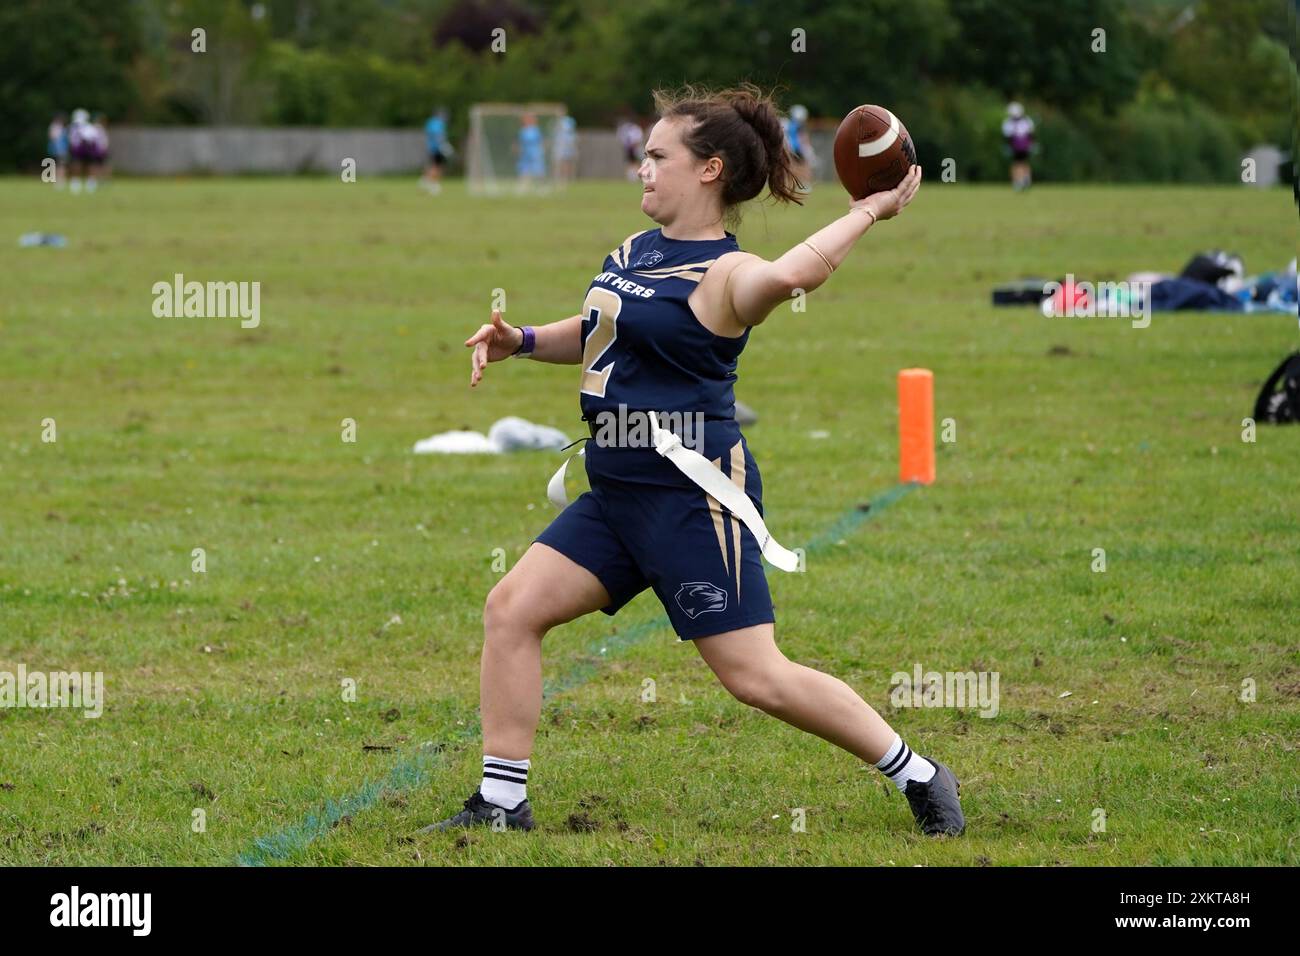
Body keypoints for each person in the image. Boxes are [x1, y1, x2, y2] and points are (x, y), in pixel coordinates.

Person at [436, 84, 964, 838]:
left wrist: (868, 212)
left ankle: (916, 771)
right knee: (511, 610)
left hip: (691, 498)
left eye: (657, 157)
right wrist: (519, 338)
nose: (642, 169)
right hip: (617, 486)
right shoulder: (634, 250)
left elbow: (791, 277)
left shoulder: (727, 275)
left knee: (757, 678)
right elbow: (596, 332)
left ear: (710, 169)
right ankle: (500, 803)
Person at [1002, 101, 1035, 191]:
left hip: (1016, 147)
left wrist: (1008, 146)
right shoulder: (1027, 120)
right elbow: (1031, 134)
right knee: (1024, 163)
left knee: (1017, 164)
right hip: (1025, 146)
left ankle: (1018, 182)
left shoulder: (1009, 122)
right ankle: (1025, 179)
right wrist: (1032, 144)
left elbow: (1008, 137)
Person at [783, 103, 814, 192]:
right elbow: (803, 137)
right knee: (805, 166)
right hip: (798, 148)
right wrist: (808, 149)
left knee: (792, 166)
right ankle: (805, 184)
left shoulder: (790, 124)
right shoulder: (800, 125)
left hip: (790, 148)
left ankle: (790, 185)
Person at [422, 108, 452, 194]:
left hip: (432, 148)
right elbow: (437, 135)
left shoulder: (431, 122)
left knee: (434, 165)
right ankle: (433, 184)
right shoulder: (437, 123)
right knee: (437, 166)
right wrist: (444, 145)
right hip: (437, 148)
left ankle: (426, 180)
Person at [66, 108, 96, 194]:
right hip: (76, 149)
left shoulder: (89, 127)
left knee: (89, 166)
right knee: (76, 165)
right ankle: (75, 182)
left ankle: (90, 183)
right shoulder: (72, 127)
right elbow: (71, 139)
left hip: (87, 149)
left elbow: (90, 138)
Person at [515, 112, 546, 192]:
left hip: (535, 153)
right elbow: (520, 142)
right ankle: (523, 187)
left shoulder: (536, 130)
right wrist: (518, 150)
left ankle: (542, 187)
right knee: (524, 170)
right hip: (525, 154)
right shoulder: (523, 130)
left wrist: (541, 150)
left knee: (539, 170)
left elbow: (541, 141)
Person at [616, 115, 643, 181]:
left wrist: (634, 145)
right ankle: (631, 177)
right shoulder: (626, 129)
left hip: (635, 149)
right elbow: (622, 138)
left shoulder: (636, 129)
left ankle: (636, 176)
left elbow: (638, 139)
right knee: (630, 163)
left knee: (636, 162)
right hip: (629, 149)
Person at [553, 114, 578, 184]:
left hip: (567, 150)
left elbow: (572, 142)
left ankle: (565, 179)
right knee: (558, 164)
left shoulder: (570, 134)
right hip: (559, 149)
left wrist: (574, 150)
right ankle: (557, 178)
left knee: (566, 164)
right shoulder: (558, 133)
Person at [46, 113, 68, 187]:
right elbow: (53, 138)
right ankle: (57, 181)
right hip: (57, 150)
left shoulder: (61, 128)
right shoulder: (55, 127)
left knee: (60, 165)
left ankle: (60, 180)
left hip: (60, 150)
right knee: (58, 165)